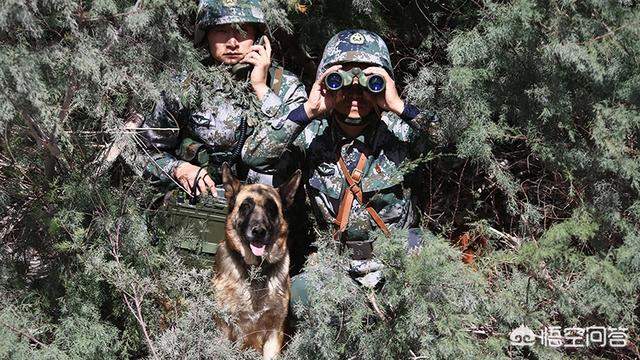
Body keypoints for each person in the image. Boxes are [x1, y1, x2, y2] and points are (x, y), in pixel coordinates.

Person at [242, 29, 439, 300]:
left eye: (369, 81)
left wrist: (398, 105)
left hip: (400, 255)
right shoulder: (312, 133)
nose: (354, 93)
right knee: (299, 297)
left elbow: (454, 145)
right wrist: (309, 110)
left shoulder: (399, 131)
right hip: (338, 261)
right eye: (341, 81)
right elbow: (254, 156)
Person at [139, 0, 307, 194]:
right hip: (202, 206)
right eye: (221, 31)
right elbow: (146, 151)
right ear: (206, 35)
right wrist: (178, 168)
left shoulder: (284, 85)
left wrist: (261, 88)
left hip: (265, 213)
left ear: (259, 37)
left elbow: (301, 146)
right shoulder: (182, 86)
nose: (233, 42)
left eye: (242, 30)